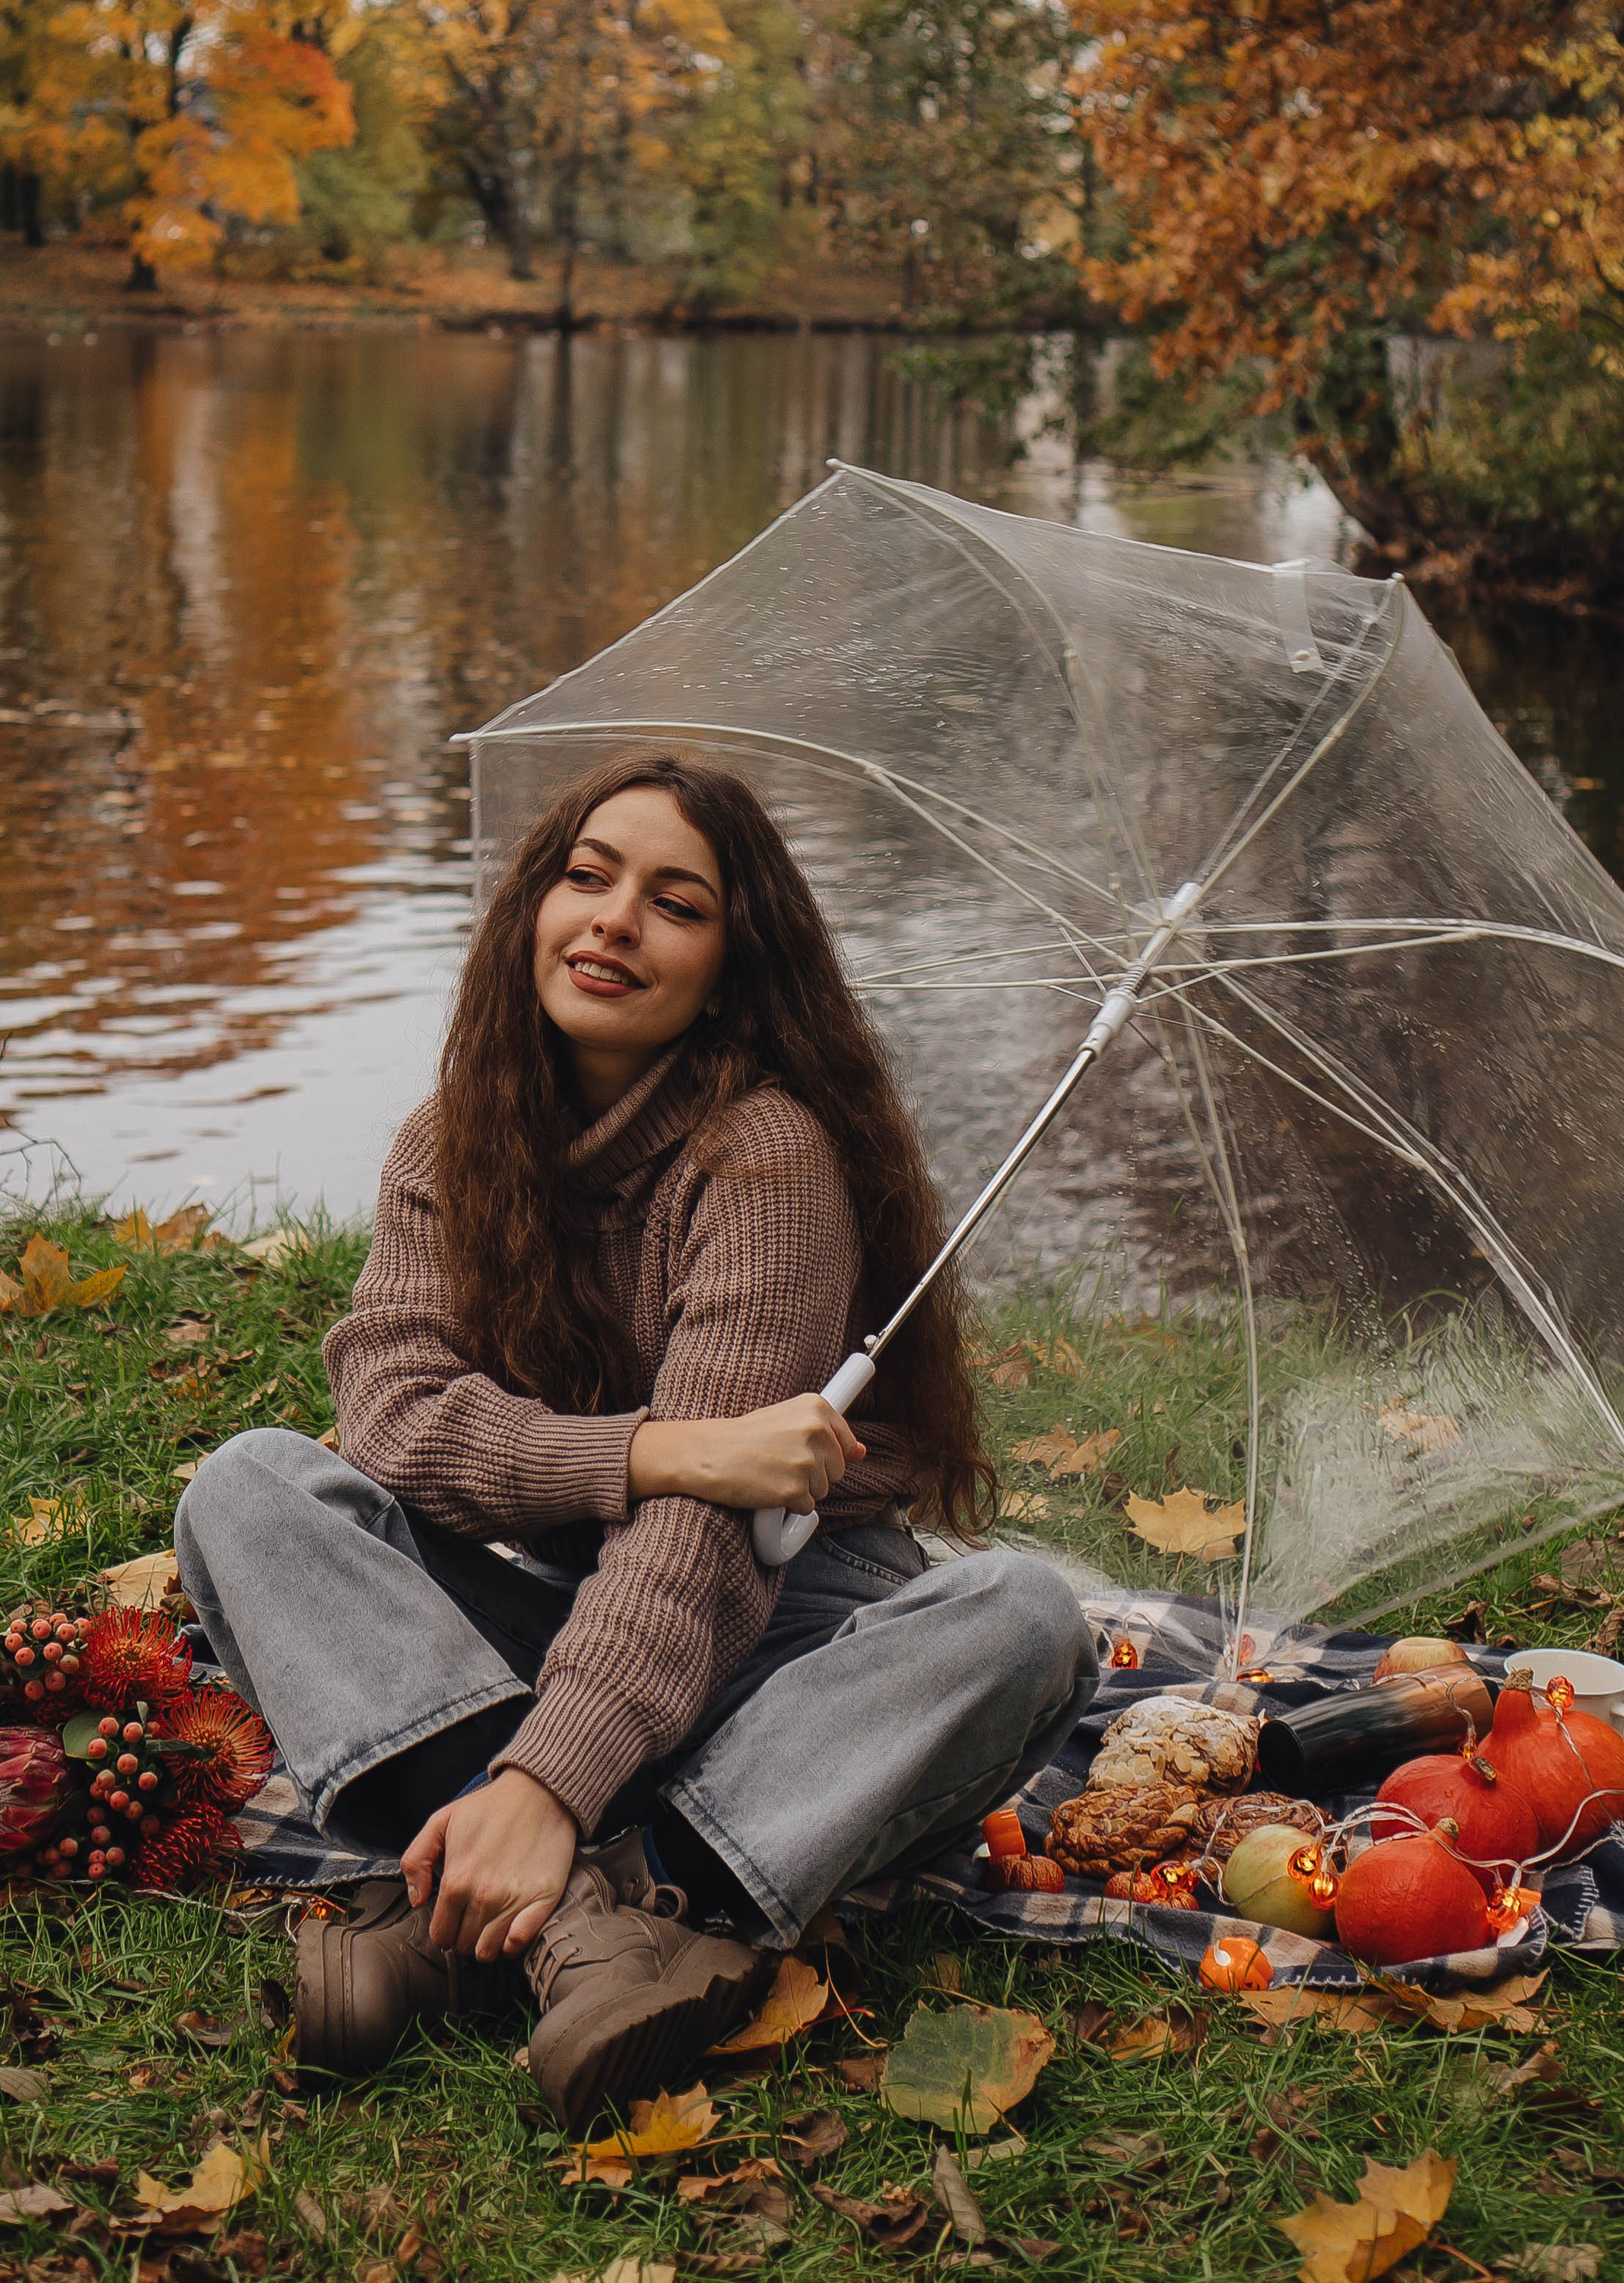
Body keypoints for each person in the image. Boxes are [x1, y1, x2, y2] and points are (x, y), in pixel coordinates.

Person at [175, 753, 1096, 2130]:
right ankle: (568, 1923)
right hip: (557, 1608)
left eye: (675, 903)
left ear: (730, 969)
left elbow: (701, 1549)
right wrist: (658, 1451)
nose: (612, 921)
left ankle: (622, 1887)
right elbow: (396, 1424)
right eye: (588, 877)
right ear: (532, 908)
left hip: (780, 1628)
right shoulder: (453, 1142)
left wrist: (552, 1780)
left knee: (1023, 1614)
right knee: (249, 1487)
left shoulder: (767, 1158)